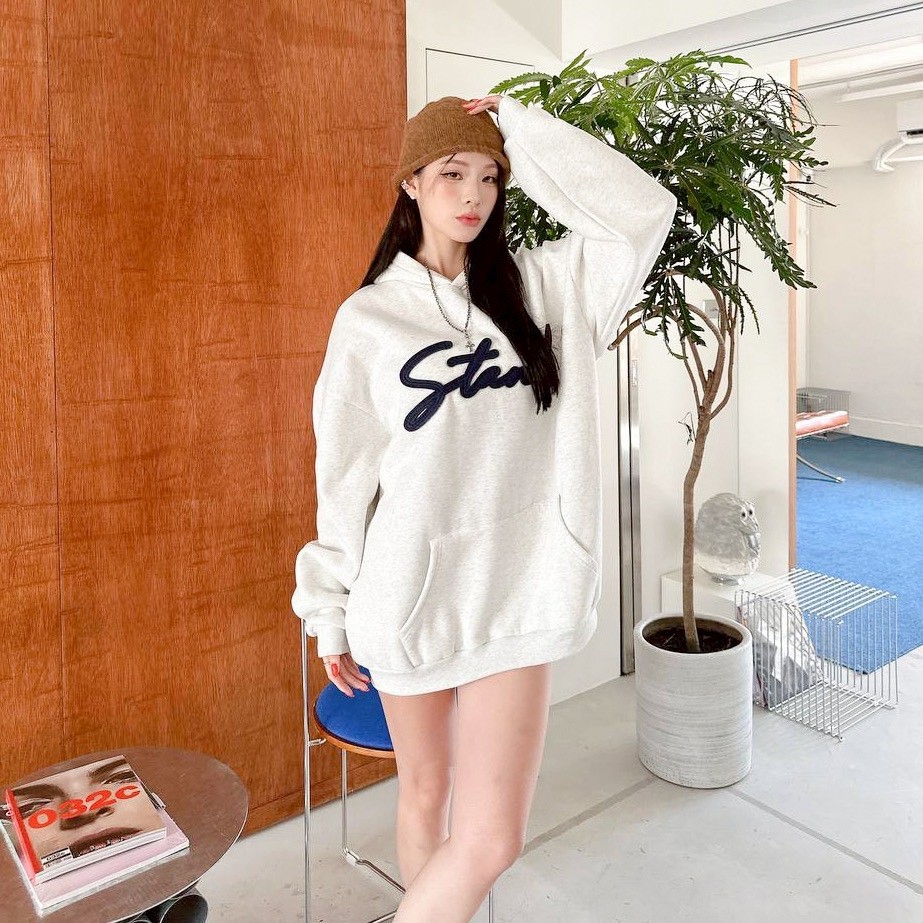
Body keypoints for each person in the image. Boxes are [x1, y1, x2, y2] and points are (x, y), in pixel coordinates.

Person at [292, 92, 677, 922]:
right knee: (424, 795)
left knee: (491, 837)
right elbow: (343, 478)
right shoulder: (368, 320)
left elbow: (643, 213)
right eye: (450, 173)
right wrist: (329, 611)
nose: (473, 195)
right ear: (410, 183)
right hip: (409, 598)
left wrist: (522, 127)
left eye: (489, 177)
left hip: (521, 591)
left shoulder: (549, 285)